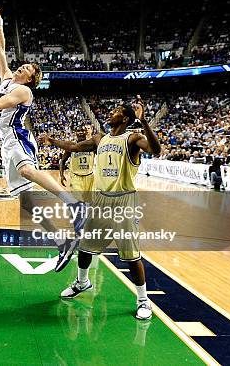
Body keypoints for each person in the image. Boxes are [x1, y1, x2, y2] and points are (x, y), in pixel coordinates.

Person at [39, 97, 161, 320]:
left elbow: (156, 150)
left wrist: (143, 122)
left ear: (124, 118)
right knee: (85, 248)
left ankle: (143, 300)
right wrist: (52, 140)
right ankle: (82, 282)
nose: (110, 113)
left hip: (124, 201)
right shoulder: (99, 139)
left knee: (131, 256)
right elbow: (74, 147)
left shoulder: (133, 138)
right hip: (101, 201)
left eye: (115, 110)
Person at [0, 1, 84, 271]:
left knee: (27, 170)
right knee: (26, 201)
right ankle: (61, 241)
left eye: (27, 68)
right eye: (23, 65)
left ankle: (74, 205)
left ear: (30, 79)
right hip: (5, 144)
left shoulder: (24, 92)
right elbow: (1, 48)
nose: (21, 67)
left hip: (18, 138)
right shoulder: (6, 80)